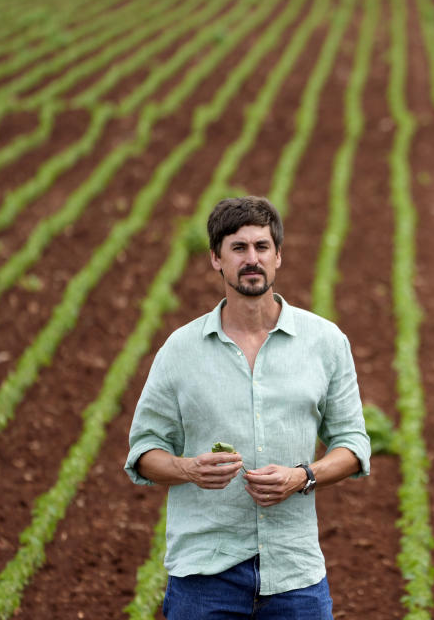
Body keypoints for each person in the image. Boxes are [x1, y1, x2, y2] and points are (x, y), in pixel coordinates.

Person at [124, 196, 370, 619]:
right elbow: (144, 451)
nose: (251, 259)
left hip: (293, 572)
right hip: (204, 574)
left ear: (278, 257)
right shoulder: (180, 350)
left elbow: (352, 443)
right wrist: (189, 470)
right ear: (216, 260)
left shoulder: (325, 342)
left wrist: (302, 476)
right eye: (238, 248)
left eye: (261, 247)